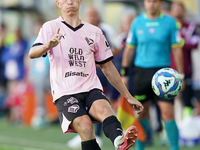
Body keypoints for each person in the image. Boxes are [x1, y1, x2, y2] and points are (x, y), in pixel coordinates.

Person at [29, 0, 143, 150]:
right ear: (58, 3)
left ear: (80, 1)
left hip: (91, 88)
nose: (69, 2)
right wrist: (47, 46)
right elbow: (32, 53)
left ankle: (119, 141)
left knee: (105, 109)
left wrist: (128, 96)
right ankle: (117, 140)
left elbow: (108, 67)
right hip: (65, 92)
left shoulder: (94, 32)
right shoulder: (50, 27)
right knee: (86, 127)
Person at [121, 0, 184, 150]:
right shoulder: (137, 22)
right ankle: (140, 148)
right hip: (141, 73)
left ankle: (174, 147)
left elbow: (176, 49)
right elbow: (129, 49)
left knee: (167, 112)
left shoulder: (170, 22)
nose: (152, 4)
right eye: (149, 1)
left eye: (155, 1)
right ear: (145, 3)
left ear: (160, 3)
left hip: (164, 75)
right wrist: (124, 73)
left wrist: (180, 75)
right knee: (142, 113)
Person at [170, 2, 200, 118]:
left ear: (184, 11)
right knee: (169, 101)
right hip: (168, 70)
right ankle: (166, 129)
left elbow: (194, 43)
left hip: (186, 70)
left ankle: (186, 126)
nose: (177, 11)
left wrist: (176, 41)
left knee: (187, 100)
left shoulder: (190, 27)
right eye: (174, 9)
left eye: (179, 8)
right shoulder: (167, 27)